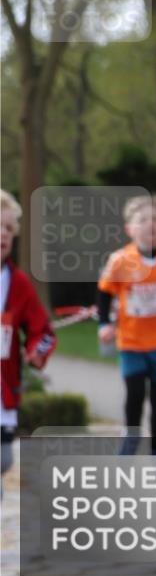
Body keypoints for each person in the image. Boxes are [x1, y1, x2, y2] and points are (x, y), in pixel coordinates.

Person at [97, 194, 156, 458]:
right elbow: (104, 293)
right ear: (130, 228)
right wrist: (104, 324)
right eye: (143, 220)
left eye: (155, 219)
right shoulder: (119, 260)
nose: (150, 224)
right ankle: (131, 439)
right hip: (131, 340)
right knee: (135, 393)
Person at [1, 190, 56, 487]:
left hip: (3, 389)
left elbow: (43, 331)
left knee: (4, 459)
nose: (3, 234)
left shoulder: (18, 283)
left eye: (8, 228)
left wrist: (36, 351)